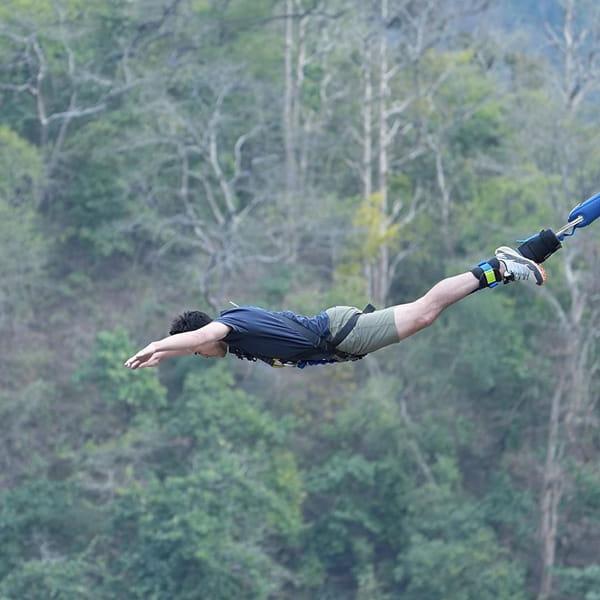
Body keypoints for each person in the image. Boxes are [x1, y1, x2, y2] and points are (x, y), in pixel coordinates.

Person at [124, 246, 546, 370]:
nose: (203, 355)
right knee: (425, 313)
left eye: (198, 352)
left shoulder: (225, 328)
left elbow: (200, 338)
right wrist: (163, 354)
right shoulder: (234, 335)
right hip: (340, 339)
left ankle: (498, 268)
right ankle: (500, 271)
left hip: (338, 333)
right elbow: (194, 342)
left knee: (423, 311)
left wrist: (154, 345)